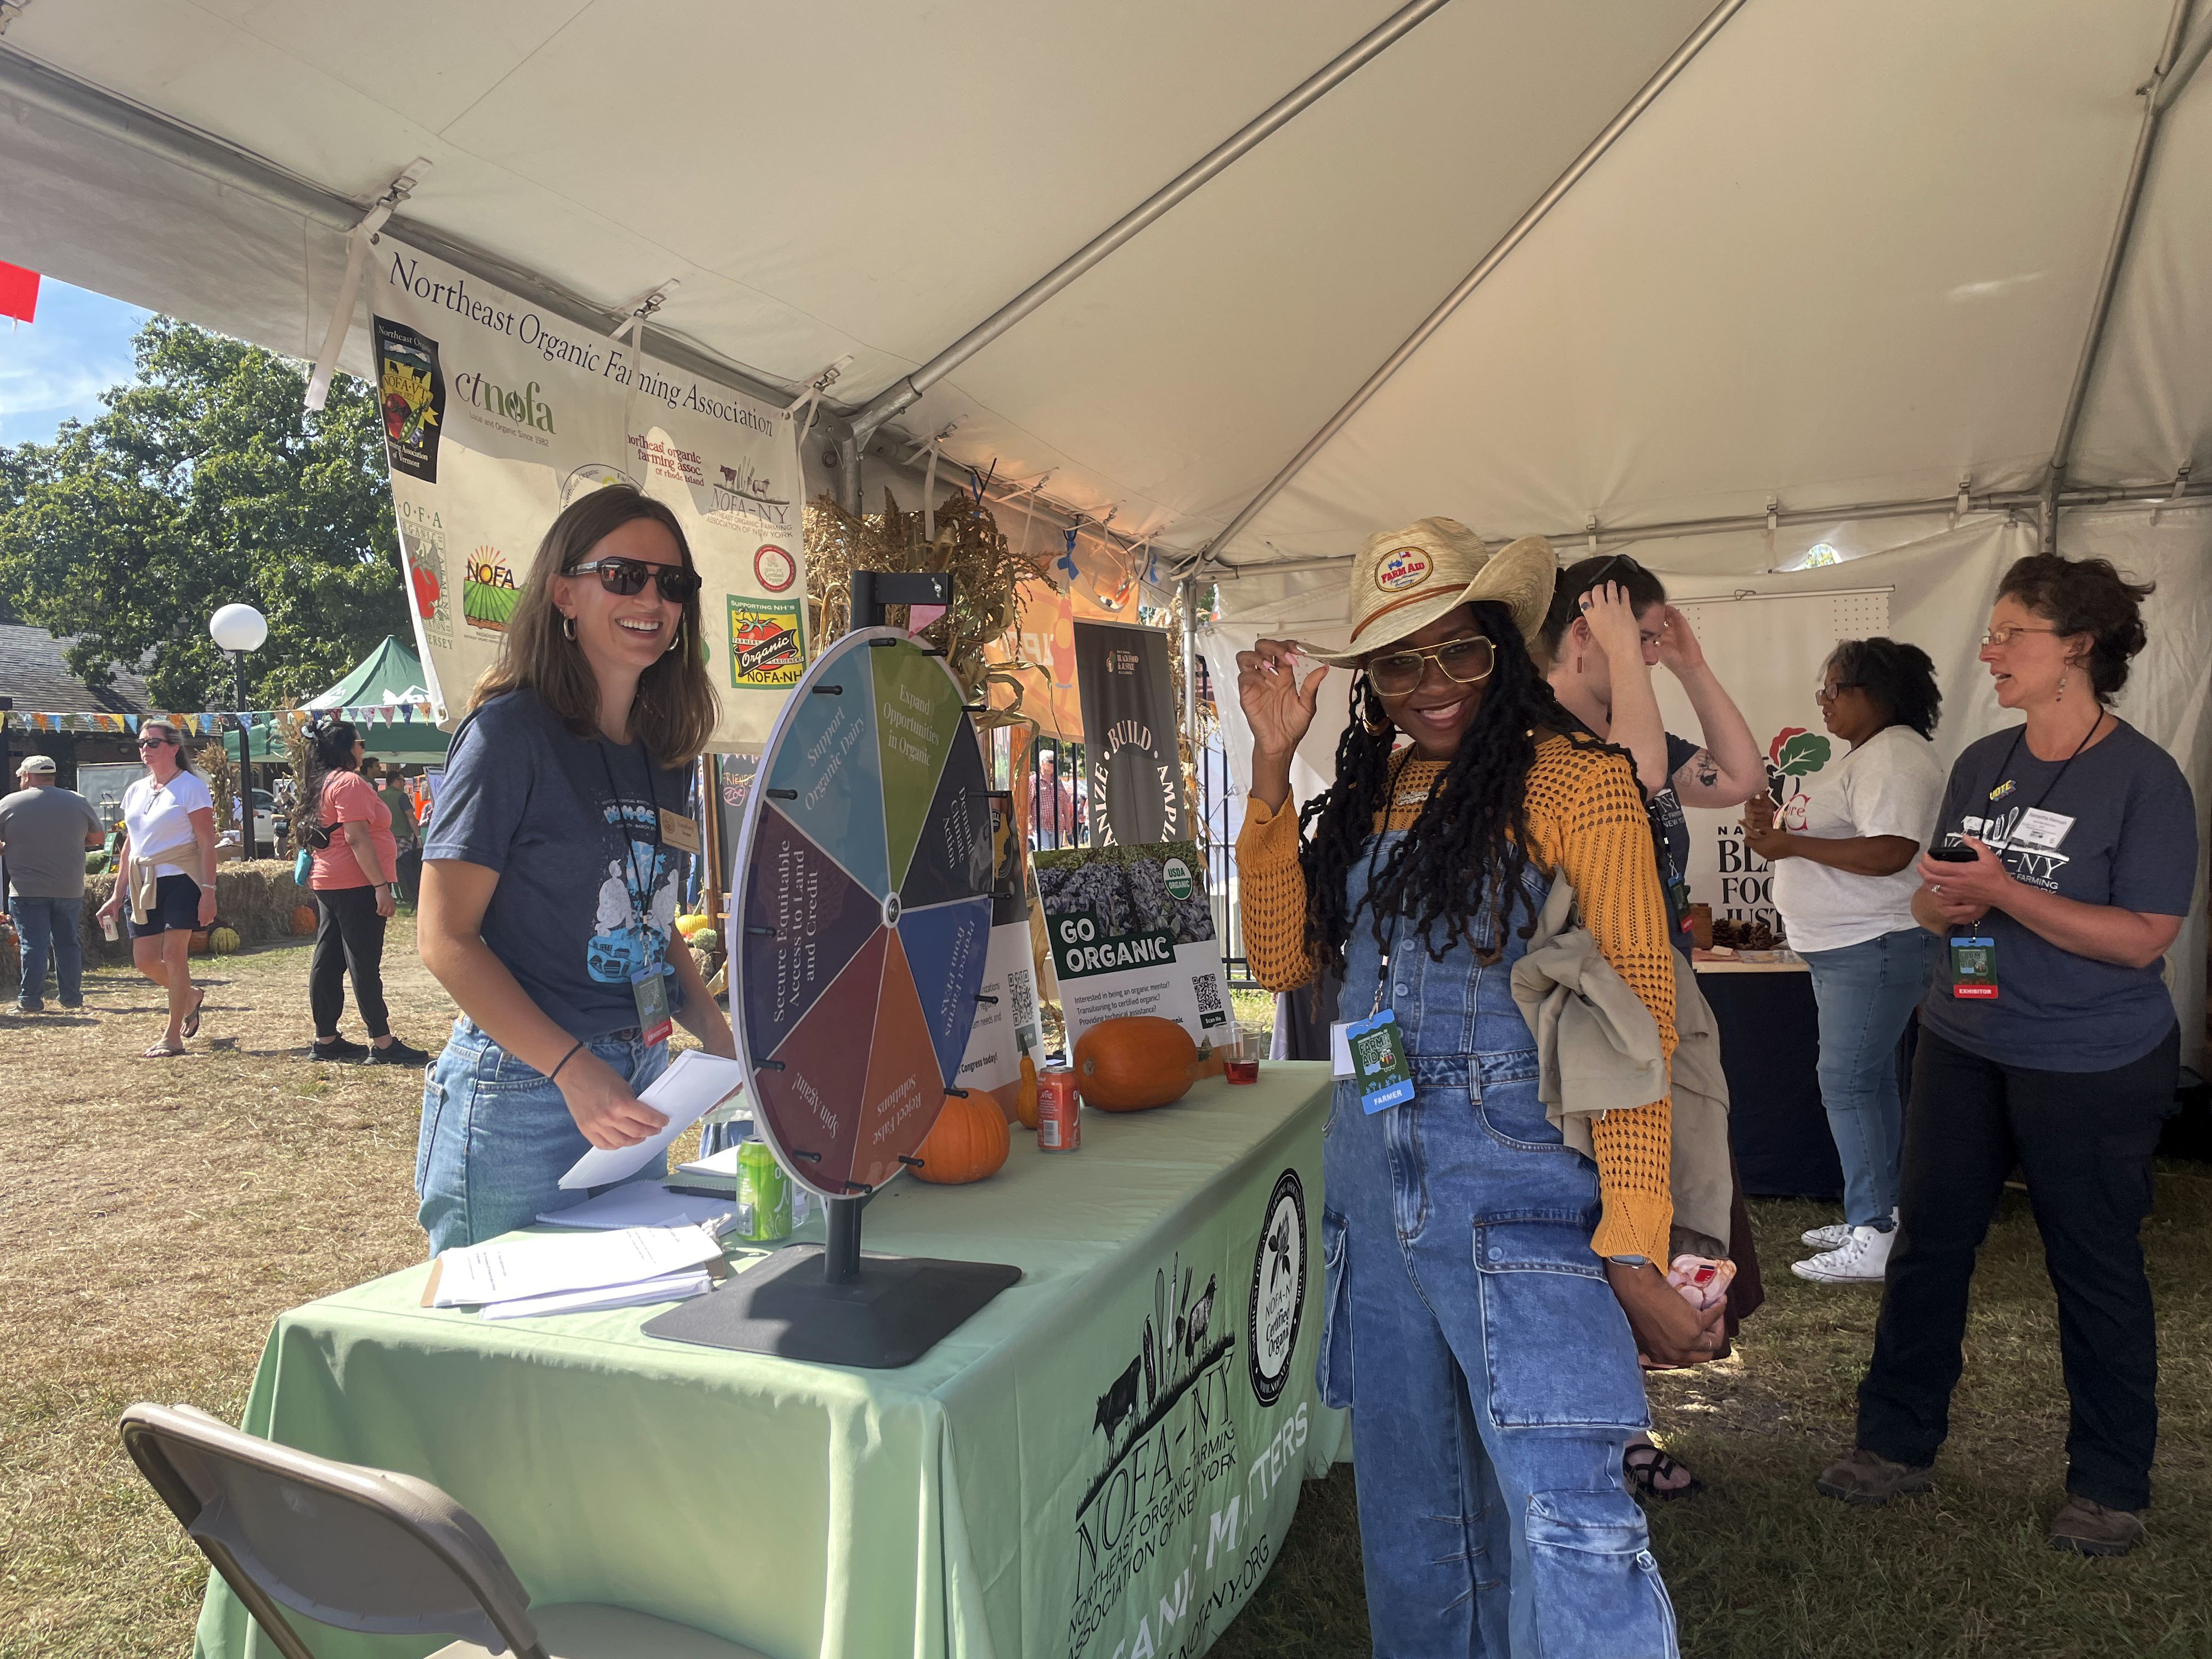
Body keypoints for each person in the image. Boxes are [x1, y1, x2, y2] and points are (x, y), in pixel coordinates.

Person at [1236, 518, 1716, 1657]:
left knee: (1569, 1519)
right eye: (1401, 663)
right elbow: (1280, 961)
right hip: (1375, 1183)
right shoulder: (1376, 789)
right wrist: (1266, 767)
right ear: (1372, 684)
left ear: (1506, 647)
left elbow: (1639, 1025)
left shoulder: (1577, 785)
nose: (1433, 684)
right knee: (1415, 1520)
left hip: (1519, 1196)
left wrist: (1634, 1244)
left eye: (1461, 651)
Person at [1818, 554, 2196, 1559]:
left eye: (2008, 633)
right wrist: (1941, 905)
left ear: (2074, 645)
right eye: (1989, 634)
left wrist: (2006, 892)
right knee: (1929, 1243)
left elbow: (2144, 934)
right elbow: (1935, 895)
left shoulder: (2145, 779)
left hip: (2091, 1057)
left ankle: (2109, 1482)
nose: (1988, 651)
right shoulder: (1985, 756)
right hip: (1964, 1036)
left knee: (2093, 1262)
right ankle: (1894, 1441)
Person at [415, 486, 735, 1252]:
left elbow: (655, 925)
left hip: (643, 1078)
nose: (651, 599)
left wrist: (721, 1039)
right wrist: (571, 1070)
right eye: (625, 575)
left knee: (618, 1335)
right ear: (564, 593)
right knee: (495, 1354)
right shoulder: (508, 735)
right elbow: (445, 938)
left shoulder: (666, 748)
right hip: (525, 1094)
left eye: (673, 584)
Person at [1542, 555, 1768, 1501]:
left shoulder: (1642, 725)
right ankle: (1589, 1429)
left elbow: (1743, 778)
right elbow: (1624, 783)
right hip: (1585, 1014)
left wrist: (1688, 662)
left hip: (1652, 999)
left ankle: (1625, 1421)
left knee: (1656, 1208)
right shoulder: (1548, 739)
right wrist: (1628, 654)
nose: (1647, 653)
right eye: (1635, 634)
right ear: (1586, 630)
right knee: (1595, 1217)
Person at [1743, 639, 1944, 1283]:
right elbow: (1836, 843)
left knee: (1849, 1083)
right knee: (1869, 1083)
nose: (1824, 703)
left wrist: (1790, 841)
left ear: (1877, 692)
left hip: (1874, 943)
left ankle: (1876, 1234)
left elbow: (1891, 852)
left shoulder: (1895, 755)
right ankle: (1879, 1211)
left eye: (1835, 690)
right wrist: (1775, 836)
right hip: (1849, 948)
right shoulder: (1866, 757)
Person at [299, 720, 427, 1066]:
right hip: (356, 883)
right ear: (347, 748)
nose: (362, 749)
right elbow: (356, 836)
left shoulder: (320, 782)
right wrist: (380, 887)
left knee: (328, 960)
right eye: (360, 743)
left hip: (328, 880)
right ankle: (383, 1043)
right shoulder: (350, 783)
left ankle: (326, 1038)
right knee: (363, 962)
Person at [95, 721, 217, 1057]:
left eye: (153, 743)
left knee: (173, 954)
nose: (145, 749)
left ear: (174, 748)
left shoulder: (192, 787)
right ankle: (190, 996)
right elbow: (129, 847)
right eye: (142, 743)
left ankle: (172, 1037)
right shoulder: (135, 791)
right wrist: (116, 895)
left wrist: (209, 890)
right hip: (142, 879)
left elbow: (207, 844)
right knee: (146, 961)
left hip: (181, 877)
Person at [0, 755, 103, 1012]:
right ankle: (71, 999)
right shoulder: (77, 801)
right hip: (69, 888)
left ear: (27, 776)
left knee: (33, 944)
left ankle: (30, 1000)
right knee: (68, 943)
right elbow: (98, 837)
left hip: (27, 889)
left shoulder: (10, 803)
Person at [372, 761, 423, 904]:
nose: (405, 784)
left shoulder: (378, 796)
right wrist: (419, 837)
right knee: (407, 869)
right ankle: (412, 896)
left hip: (382, 838)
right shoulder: (402, 797)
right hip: (401, 839)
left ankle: (390, 895)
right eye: (403, 781)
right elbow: (411, 818)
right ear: (395, 781)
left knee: (385, 869)